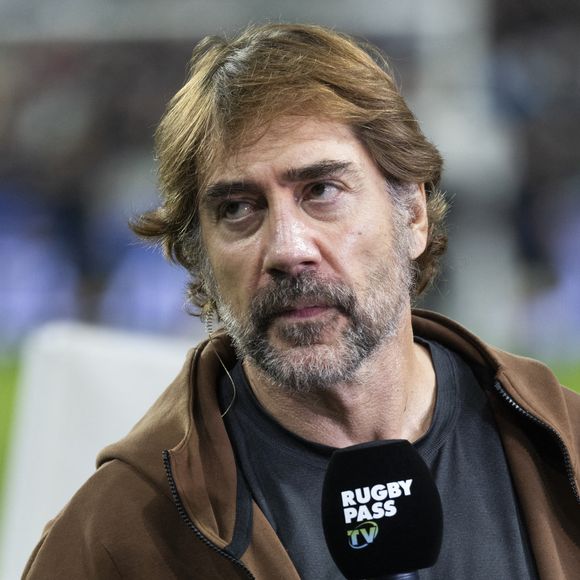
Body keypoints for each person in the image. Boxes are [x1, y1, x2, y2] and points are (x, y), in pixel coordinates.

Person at [24, 23, 579, 579]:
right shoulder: (116, 539)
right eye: (239, 209)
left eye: (322, 191)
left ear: (411, 214)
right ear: (200, 257)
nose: (288, 250)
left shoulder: (567, 449)